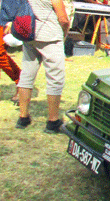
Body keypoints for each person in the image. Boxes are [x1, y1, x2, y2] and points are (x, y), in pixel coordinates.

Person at [12, 0, 70, 133]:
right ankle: (53, 121)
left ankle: (23, 117)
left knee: (26, 75)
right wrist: (64, 34)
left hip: (29, 34)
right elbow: (63, 19)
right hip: (50, 36)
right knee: (55, 78)